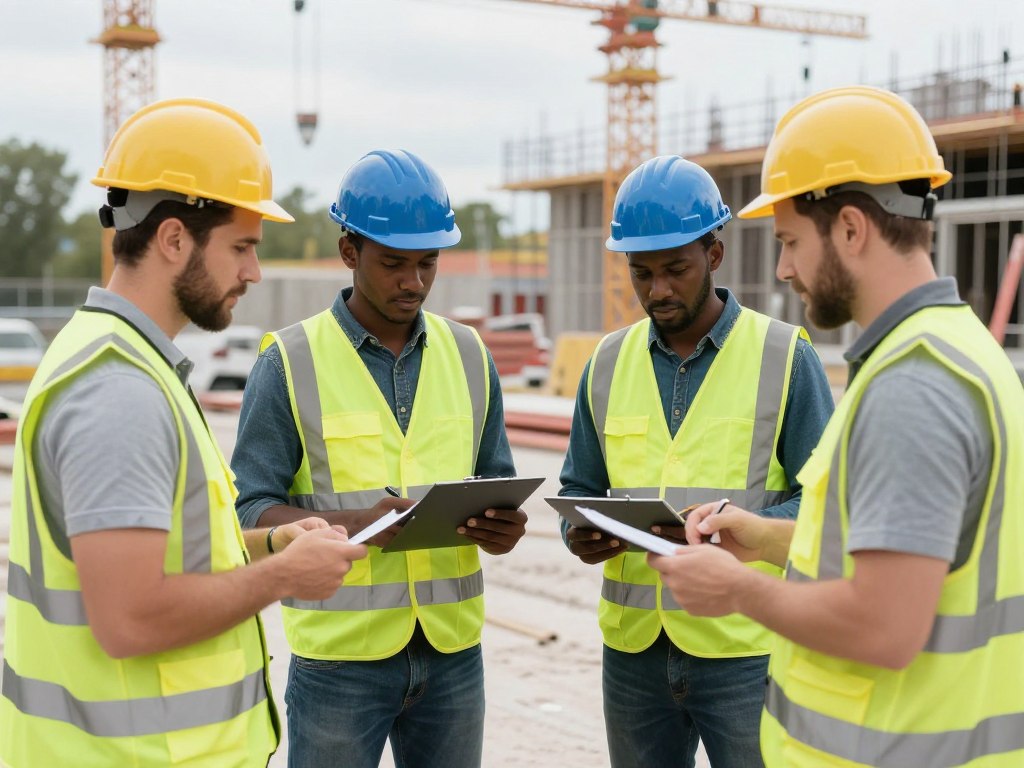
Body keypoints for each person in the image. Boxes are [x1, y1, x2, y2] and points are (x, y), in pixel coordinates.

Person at [649, 85, 1024, 768]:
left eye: (791, 241)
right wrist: (767, 539)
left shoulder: (912, 387)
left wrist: (738, 590)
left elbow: (884, 626)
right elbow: (909, 550)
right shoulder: (959, 350)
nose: (784, 267)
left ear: (851, 229)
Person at [0, 98, 367, 768]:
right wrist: (282, 577)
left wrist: (270, 543)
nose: (253, 272)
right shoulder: (119, 392)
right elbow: (130, 617)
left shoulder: (117, 360)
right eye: (242, 247)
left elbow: (168, 557)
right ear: (173, 239)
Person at [231, 148, 528, 768]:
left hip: (452, 654)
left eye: (427, 263)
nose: (413, 282)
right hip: (340, 661)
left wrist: (503, 527)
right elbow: (251, 509)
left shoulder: (470, 355)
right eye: (394, 263)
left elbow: (495, 481)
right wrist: (356, 523)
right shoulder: (288, 362)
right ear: (349, 251)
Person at [557, 155, 834, 768]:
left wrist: (743, 527)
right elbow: (578, 487)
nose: (657, 290)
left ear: (714, 254)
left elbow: (825, 506)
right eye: (641, 273)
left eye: (675, 270)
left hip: (746, 648)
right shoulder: (605, 364)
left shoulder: (784, 356)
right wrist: (581, 533)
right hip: (634, 653)